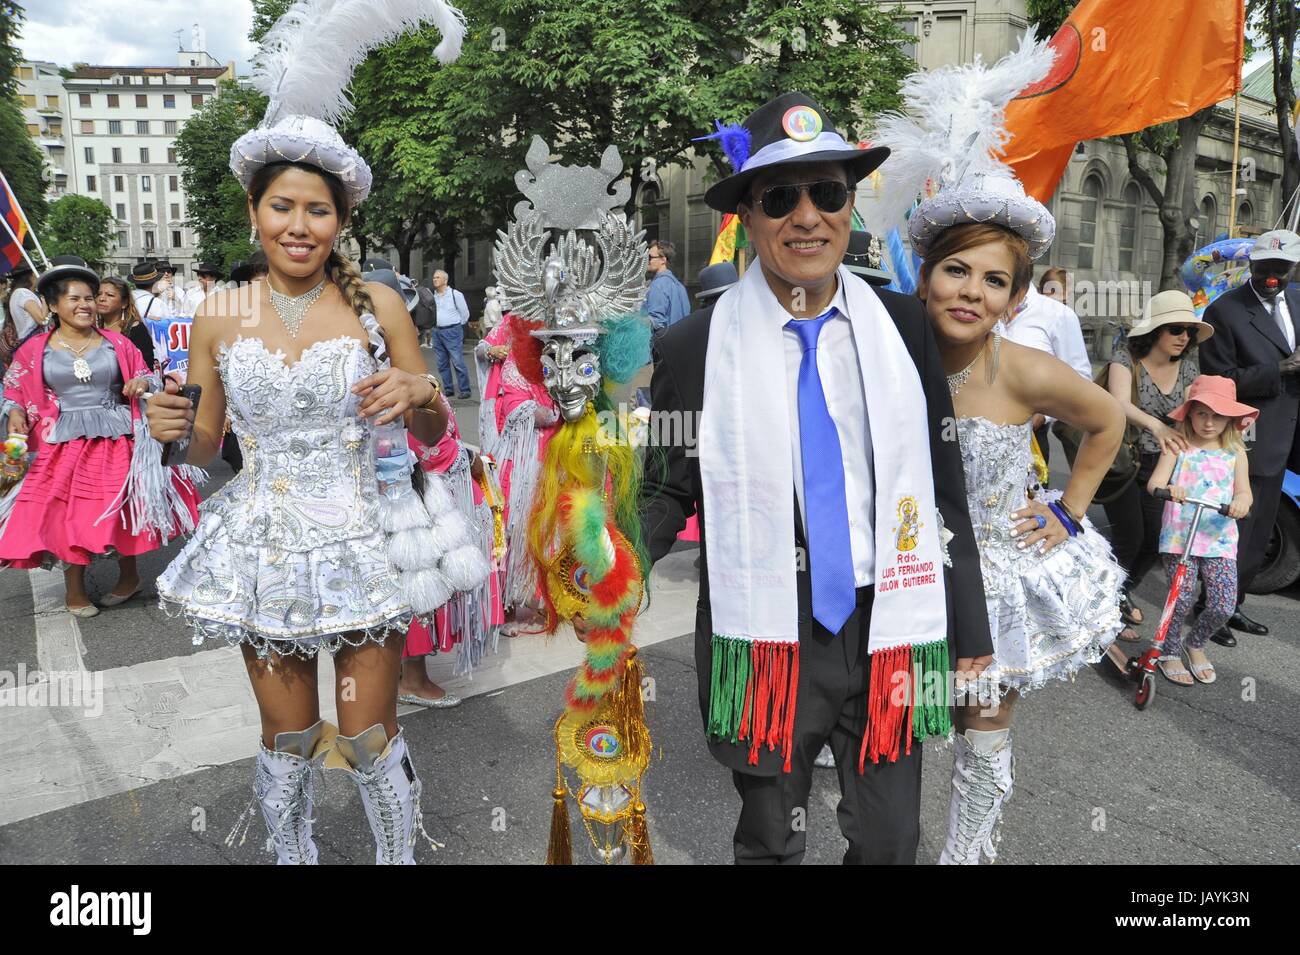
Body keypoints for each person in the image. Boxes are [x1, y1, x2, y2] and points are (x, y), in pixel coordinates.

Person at [146, 0, 468, 865]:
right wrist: (172, 430)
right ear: (254, 212)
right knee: (288, 738)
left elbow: (436, 431)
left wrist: (423, 388)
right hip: (264, 544)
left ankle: (395, 858)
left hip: (364, 539)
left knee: (366, 733)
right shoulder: (217, 313)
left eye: (317, 210)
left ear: (341, 220)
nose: (299, 224)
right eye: (282, 206)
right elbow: (209, 446)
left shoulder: (382, 307)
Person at [641, 91, 993, 865]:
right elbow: (667, 488)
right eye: (780, 197)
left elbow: (944, 486)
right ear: (751, 217)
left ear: (849, 207)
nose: (807, 216)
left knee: (892, 841)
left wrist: (972, 629)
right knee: (770, 839)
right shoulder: (692, 346)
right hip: (766, 631)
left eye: (827, 193)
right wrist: (609, 567)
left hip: (894, 622)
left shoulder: (904, 326)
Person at [873, 37, 1125, 864]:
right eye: (955, 270)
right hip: (906, 579)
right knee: (896, 731)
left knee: (982, 733)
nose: (970, 292)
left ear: (1016, 298)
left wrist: (1069, 509)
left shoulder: (1025, 370)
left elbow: (1108, 423)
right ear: (924, 273)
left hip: (999, 580)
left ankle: (968, 856)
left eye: (992, 280)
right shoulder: (890, 355)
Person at [0, 256, 200, 615]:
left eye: (89, 298)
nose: (85, 305)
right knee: (66, 517)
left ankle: (129, 577)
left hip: (117, 440)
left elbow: (149, 374)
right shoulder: (34, 350)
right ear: (53, 305)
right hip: (61, 444)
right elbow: (13, 390)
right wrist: (14, 411)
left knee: (121, 511)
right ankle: (74, 589)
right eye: (74, 299)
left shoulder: (117, 343)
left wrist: (142, 381)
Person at [363, 265, 499, 706]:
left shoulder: (386, 363)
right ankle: (411, 678)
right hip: (406, 498)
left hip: (403, 492)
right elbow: (426, 443)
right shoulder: (382, 370)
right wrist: (466, 459)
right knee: (414, 583)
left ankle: (400, 675)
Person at [1199, 229, 1300, 645]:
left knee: (1260, 533)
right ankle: (1212, 610)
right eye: (1265, 269)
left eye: (1282, 269)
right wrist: (1280, 370)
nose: (1273, 277)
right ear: (1251, 266)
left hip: (1289, 438)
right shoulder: (1224, 312)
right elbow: (1217, 382)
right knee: (1237, 531)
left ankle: (1233, 602)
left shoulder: (1297, 298)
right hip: (1252, 437)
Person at [1103, 291, 1208, 642]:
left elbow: (1196, 413)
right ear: (1156, 330)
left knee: (1153, 540)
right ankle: (1103, 604)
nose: (1184, 338)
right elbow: (1119, 404)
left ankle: (1119, 592)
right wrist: (1157, 425)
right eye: (1176, 329)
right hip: (1121, 458)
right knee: (1129, 536)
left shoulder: (1190, 368)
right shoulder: (1126, 358)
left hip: (1162, 464)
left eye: (1189, 332)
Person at [1146, 376, 1255, 686]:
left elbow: (1245, 492)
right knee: (1178, 600)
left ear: (1230, 418)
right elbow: (1154, 483)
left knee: (1223, 603)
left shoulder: (1236, 453)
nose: (1209, 422)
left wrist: (1241, 503)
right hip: (1181, 536)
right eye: (1202, 413)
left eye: (1218, 415)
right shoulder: (1177, 447)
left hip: (1219, 536)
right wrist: (1170, 489)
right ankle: (1168, 651)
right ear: (1190, 414)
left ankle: (1195, 643)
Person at [473, 312, 560, 635]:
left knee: (550, 528)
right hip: (519, 457)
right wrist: (551, 413)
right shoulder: (514, 331)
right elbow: (515, 405)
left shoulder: (561, 338)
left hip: (554, 453)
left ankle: (544, 600)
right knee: (510, 528)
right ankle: (505, 607)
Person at [1000, 266, 1092, 468]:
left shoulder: (1058, 315)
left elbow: (1080, 378)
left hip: (1031, 439)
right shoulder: (984, 306)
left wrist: (1044, 414)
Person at [96, 275, 156, 370]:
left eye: (110, 295)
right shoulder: (91, 327)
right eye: (98, 294)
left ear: (124, 303)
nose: (101, 299)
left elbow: (146, 369)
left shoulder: (136, 330)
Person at [430, 269, 471, 398]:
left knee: (457, 361)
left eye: (437, 277)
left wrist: (456, 325)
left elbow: (465, 314)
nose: (434, 279)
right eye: (434, 277)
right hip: (437, 332)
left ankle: (465, 390)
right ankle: (448, 388)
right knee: (442, 363)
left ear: (445, 280)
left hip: (452, 331)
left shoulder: (455, 294)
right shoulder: (433, 295)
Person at [642, 240, 690, 331]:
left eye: (649, 257)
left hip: (663, 342)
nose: (646, 261)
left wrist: (631, 322)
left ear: (663, 260)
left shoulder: (658, 285)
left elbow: (656, 321)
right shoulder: (680, 286)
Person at [5, 264, 47, 340]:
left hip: (29, 339)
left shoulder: (18, 293)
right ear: (32, 275)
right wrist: (45, 296)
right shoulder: (22, 293)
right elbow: (42, 319)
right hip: (33, 340)